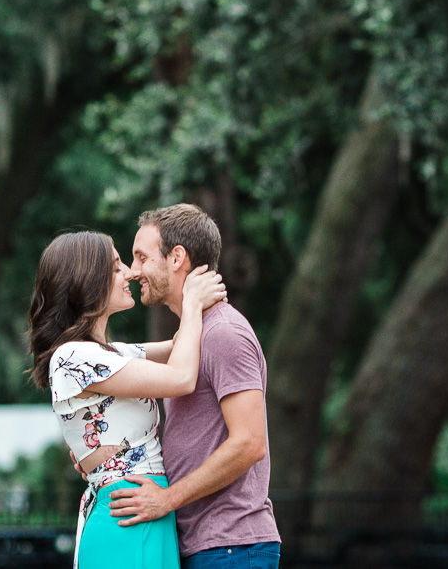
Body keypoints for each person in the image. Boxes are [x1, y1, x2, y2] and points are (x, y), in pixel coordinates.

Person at [28, 230, 227, 569]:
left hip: (144, 509)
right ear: (88, 280)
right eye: (117, 266)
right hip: (127, 515)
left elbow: (182, 346)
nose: (131, 273)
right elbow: (181, 377)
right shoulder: (73, 357)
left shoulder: (111, 354)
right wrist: (192, 303)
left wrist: (190, 296)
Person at [108, 204, 281, 569]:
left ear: (177, 258)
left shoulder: (224, 334)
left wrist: (167, 499)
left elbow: (250, 443)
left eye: (141, 257)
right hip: (206, 546)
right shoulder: (193, 336)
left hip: (232, 548)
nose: (134, 270)